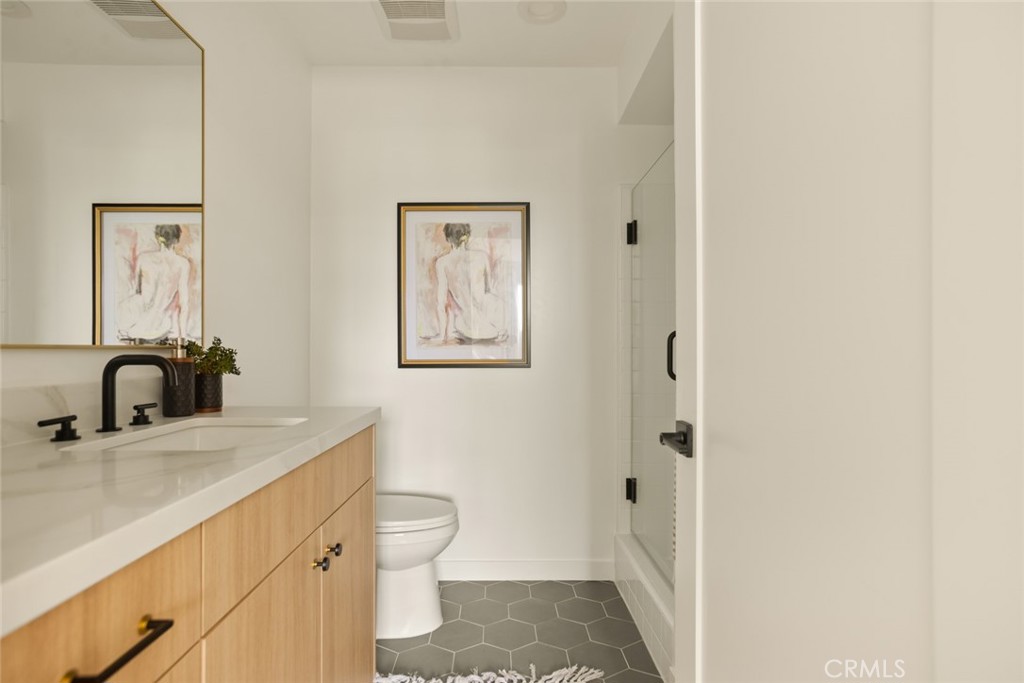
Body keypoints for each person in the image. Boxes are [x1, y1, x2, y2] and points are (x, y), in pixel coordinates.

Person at [117, 224, 192, 344]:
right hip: (161, 325)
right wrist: (182, 336)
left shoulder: (143, 259)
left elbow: (138, 291)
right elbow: (184, 303)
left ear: (158, 237)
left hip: (136, 322)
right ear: (177, 240)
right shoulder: (183, 264)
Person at [434, 222, 507, 344]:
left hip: (467, 326)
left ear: (448, 238)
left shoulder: (442, 263)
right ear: (467, 236)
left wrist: (442, 336)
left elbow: (441, 302)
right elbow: (488, 290)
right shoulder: (481, 256)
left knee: (460, 321)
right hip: (495, 323)